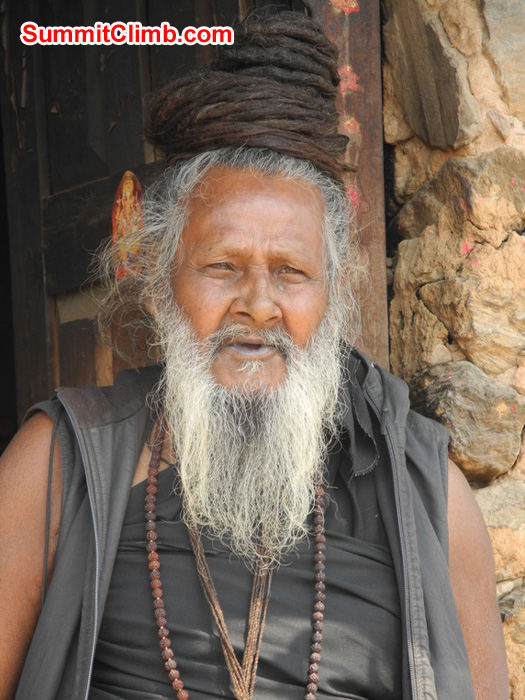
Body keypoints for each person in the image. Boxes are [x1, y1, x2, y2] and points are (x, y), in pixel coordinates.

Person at [0, 10, 508, 700]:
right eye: (221, 267)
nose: (259, 304)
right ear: (157, 283)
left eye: (291, 273)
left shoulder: (422, 486)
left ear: (331, 295)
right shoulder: (58, 463)